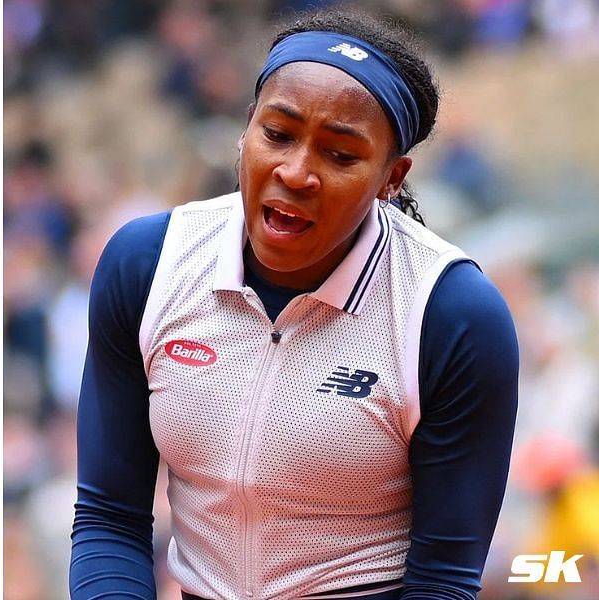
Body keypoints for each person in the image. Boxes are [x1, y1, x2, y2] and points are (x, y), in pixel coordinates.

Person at [70, 10, 517, 600]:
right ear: (245, 128)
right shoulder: (147, 264)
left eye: (340, 155)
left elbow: (443, 580)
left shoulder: (452, 314)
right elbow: (109, 518)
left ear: (392, 176)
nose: (296, 171)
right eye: (277, 134)